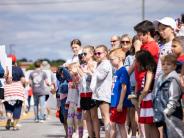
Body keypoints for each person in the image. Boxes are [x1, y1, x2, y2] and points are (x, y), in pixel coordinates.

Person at [153, 55, 183, 138]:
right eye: (163, 64)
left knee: (174, 134)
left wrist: (166, 112)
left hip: (172, 113)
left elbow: (174, 98)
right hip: (164, 113)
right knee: (166, 134)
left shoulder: (173, 79)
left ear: (174, 66)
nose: (165, 66)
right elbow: (155, 93)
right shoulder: (161, 77)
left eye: (168, 64)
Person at [134, 50, 160, 138]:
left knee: (151, 124)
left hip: (149, 98)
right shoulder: (149, 70)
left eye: (137, 60)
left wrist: (139, 99)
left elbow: (146, 88)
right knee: (148, 124)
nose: (136, 63)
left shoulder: (150, 70)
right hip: (147, 99)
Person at [109, 48, 132, 138]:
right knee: (119, 125)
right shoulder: (116, 71)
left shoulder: (123, 71)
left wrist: (120, 103)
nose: (110, 61)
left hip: (118, 103)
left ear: (119, 58)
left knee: (113, 125)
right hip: (114, 102)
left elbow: (124, 87)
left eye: (112, 59)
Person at [90, 45, 112, 138]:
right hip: (98, 94)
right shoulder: (100, 63)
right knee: (101, 117)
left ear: (105, 53)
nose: (97, 55)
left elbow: (100, 76)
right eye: (95, 53)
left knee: (105, 117)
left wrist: (92, 70)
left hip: (104, 94)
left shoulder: (106, 63)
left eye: (99, 53)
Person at [78, 46, 100, 138]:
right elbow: (81, 80)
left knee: (94, 116)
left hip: (92, 93)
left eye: (85, 53)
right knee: (86, 117)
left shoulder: (95, 64)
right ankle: (90, 135)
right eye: (82, 54)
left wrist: (87, 72)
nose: (83, 55)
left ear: (91, 54)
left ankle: (97, 136)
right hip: (83, 93)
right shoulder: (82, 65)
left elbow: (96, 78)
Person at [3, 54, 26, 130]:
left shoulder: (5, 68)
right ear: (15, 61)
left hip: (7, 91)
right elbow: (23, 80)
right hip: (17, 91)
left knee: (8, 108)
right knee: (17, 108)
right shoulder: (18, 69)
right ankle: (15, 126)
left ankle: (9, 118)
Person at [65, 62, 83, 138]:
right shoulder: (71, 82)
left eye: (70, 69)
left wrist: (79, 106)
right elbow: (69, 94)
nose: (69, 71)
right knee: (69, 121)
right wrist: (67, 102)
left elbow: (80, 95)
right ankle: (69, 136)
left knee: (79, 121)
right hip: (71, 104)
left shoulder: (80, 82)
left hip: (78, 104)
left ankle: (80, 136)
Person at [56, 66, 71, 137]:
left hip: (69, 100)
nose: (61, 75)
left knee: (69, 118)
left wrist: (63, 69)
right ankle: (67, 134)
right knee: (64, 119)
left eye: (62, 73)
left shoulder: (69, 79)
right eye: (60, 74)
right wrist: (58, 105)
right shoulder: (59, 80)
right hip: (62, 102)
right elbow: (57, 94)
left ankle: (70, 134)